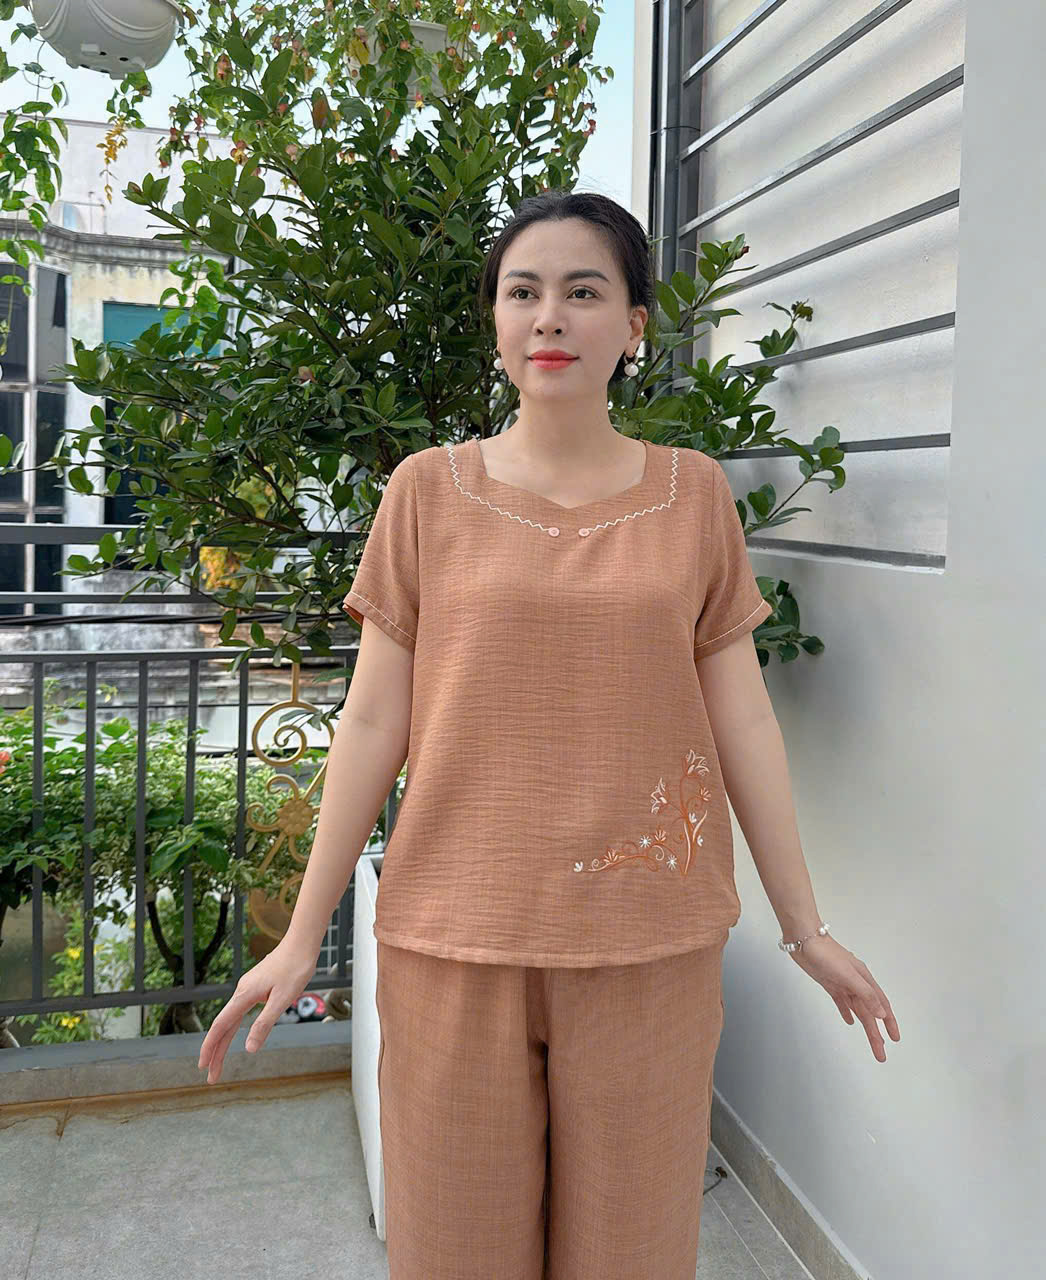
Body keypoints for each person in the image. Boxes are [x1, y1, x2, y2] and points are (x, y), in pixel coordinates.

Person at [198, 189, 901, 1278]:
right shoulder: (425, 494)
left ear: (634, 324)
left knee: (632, 1250)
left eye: (583, 291)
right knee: (454, 1248)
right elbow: (373, 719)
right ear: (495, 317)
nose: (549, 317)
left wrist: (804, 927)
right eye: (522, 292)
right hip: (453, 938)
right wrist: (301, 937)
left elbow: (743, 718)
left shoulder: (692, 498)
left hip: (648, 944)